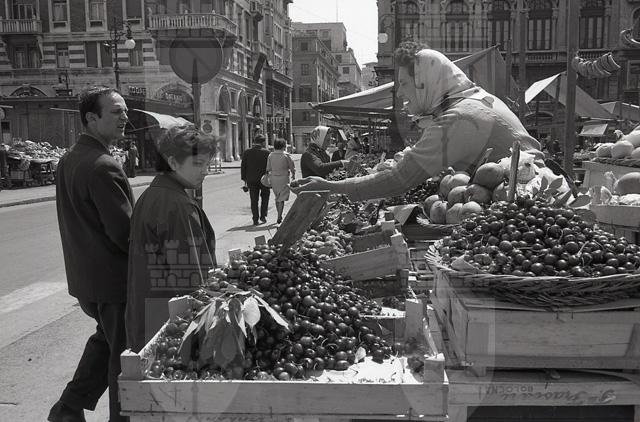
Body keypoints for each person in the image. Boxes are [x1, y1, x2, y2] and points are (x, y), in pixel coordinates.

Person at [292, 43, 542, 200]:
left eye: (404, 83)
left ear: (424, 82)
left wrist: (331, 186)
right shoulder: (477, 100)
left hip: (530, 210)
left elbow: (399, 179)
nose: (400, 93)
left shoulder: (460, 117)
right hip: (530, 204)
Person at [50, 86, 133, 422]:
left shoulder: (70, 158)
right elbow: (125, 233)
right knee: (124, 356)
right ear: (91, 118)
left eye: (125, 110)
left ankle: (68, 409)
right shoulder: (103, 165)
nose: (125, 117)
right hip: (113, 284)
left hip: (86, 281)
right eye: (116, 111)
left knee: (105, 343)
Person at [126, 125, 218, 352]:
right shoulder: (177, 206)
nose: (205, 171)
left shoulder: (152, 195)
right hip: (171, 320)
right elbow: (192, 279)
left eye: (207, 164)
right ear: (173, 162)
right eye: (198, 164)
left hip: (147, 309)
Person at [241, 134, 271, 225]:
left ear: (254, 141)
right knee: (265, 197)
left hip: (251, 179)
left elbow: (243, 166)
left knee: (254, 200)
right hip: (264, 179)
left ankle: (255, 219)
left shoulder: (247, 152)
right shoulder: (267, 153)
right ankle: (263, 216)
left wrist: (244, 179)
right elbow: (270, 167)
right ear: (263, 142)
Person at [266, 138, 296, 224]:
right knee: (282, 198)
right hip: (284, 178)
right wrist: (293, 175)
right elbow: (292, 167)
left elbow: (268, 168)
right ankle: (279, 216)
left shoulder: (270, 155)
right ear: (283, 146)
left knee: (277, 197)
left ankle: (279, 214)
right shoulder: (286, 155)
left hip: (274, 178)